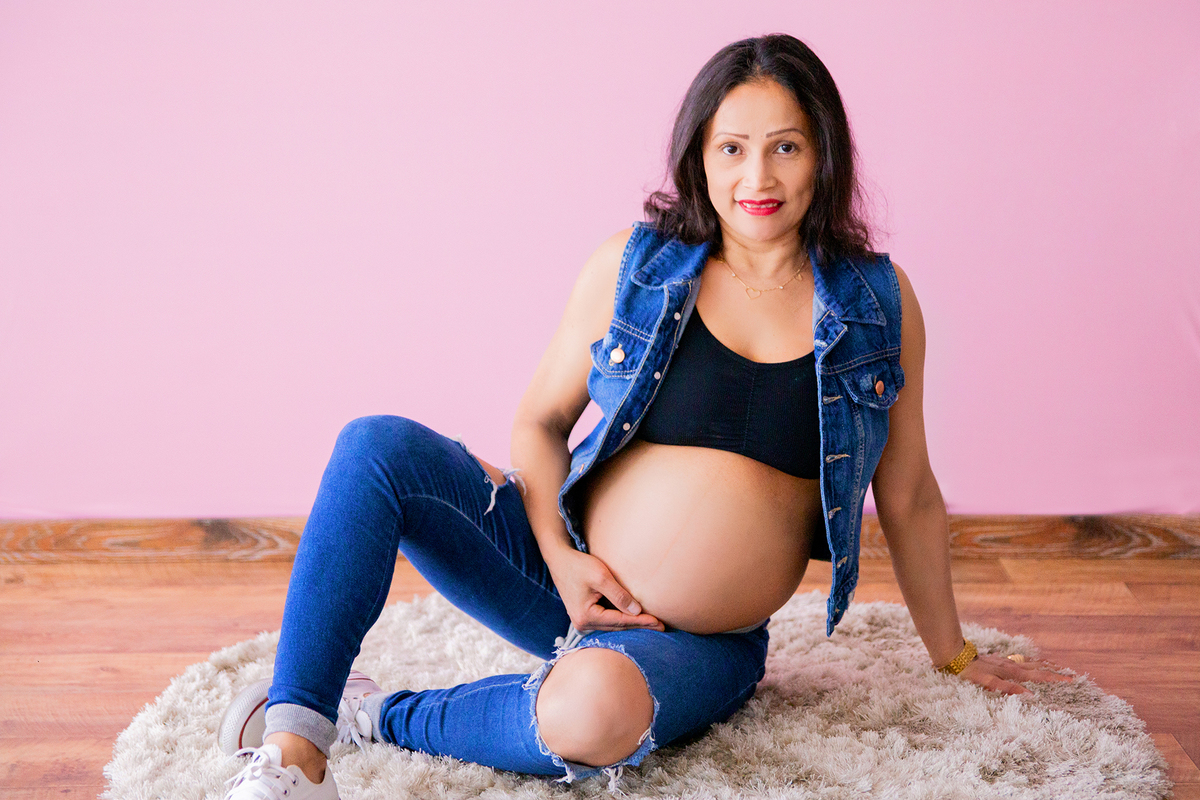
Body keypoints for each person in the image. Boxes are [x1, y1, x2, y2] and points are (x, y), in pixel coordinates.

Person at [219, 33, 1073, 800]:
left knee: (588, 715)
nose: (757, 179)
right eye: (732, 148)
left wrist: (954, 654)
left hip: (699, 642)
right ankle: (296, 751)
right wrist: (560, 560)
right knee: (374, 447)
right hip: (561, 574)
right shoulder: (635, 267)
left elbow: (910, 493)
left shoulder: (877, 304)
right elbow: (538, 423)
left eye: (785, 147)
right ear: (699, 155)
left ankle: (376, 715)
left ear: (824, 155)